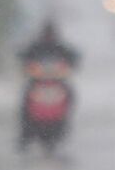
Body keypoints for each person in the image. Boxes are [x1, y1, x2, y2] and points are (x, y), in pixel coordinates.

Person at [17, 19, 81, 150]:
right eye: (47, 33)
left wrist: (72, 62)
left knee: (70, 94)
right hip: (37, 82)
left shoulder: (60, 48)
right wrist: (26, 63)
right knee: (26, 98)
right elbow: (25, 57)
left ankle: (63, 122)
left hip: (57, 82)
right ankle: (25, 133)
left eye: (50, 33)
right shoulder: (36, 47)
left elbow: (72, 57)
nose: (49, 36)